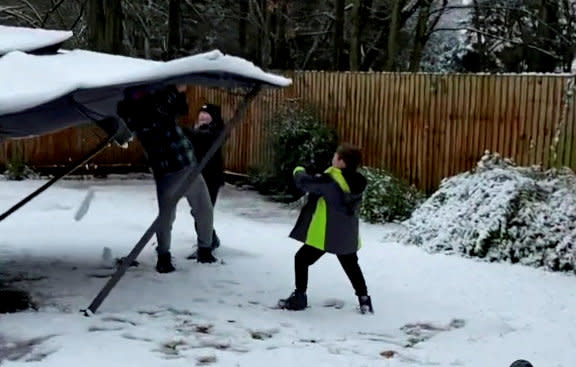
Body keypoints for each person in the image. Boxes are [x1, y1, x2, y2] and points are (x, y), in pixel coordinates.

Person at [117, 84, 218, 273]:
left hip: (188, 164)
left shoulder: (155, 100)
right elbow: (156, 114)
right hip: (167, 170)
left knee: (204, 209)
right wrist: (174, 92)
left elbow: (181, 109)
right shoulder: (136, 109)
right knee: (166, 217)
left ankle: (204, 250)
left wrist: (178, 93)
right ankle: (164, 256)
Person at [278, 143, 373, 314]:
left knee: (301, 259)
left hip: (326, 235)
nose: (333, 159)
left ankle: (299, 297)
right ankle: (364, 300)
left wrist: (299, 168)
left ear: (342, 162)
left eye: (336, 157)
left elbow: (303, 182)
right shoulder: (357, 181)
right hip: (347, 234)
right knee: (352, 266)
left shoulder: (330, 182)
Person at [183, 104, 225, 258]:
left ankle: (205, 245)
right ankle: (210, 238)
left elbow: (203, 139)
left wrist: (183, 131)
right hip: (196, 177)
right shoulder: (195, 130)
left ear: (213, 118)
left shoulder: (217, 131)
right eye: (201, 114)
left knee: (203, 212)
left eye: (207, 114)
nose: (203, 117)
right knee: (198, 212)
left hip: (211, 178)